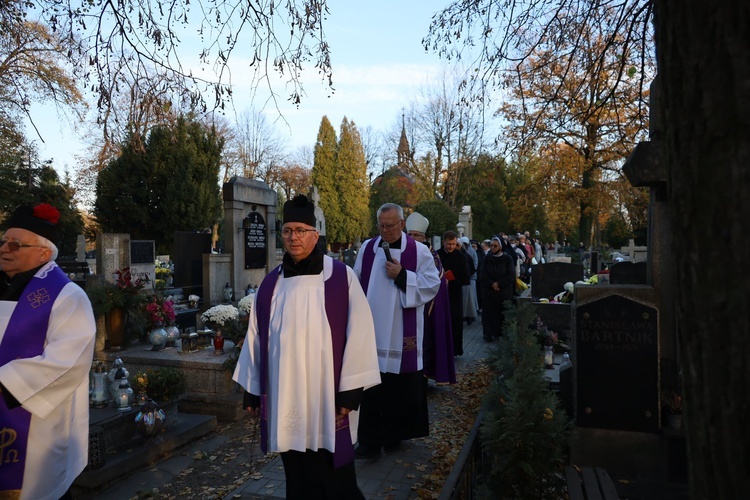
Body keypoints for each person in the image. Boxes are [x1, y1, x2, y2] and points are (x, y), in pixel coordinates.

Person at [233, 194, 381, 499]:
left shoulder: (341, 278)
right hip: (285, 395)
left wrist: (351, 391)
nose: (293, 238)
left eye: (301, 230)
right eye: (287, 231)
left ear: (315, 234)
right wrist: (252, 389)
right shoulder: (271, 284)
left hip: (328, 396)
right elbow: (256, 337)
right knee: (297, 475)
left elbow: (361, 334)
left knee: (337, 479)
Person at [0, 203, 96, 499]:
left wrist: (4, 382)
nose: (5, 248)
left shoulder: (67, 296)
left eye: (15, 244)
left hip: (35, 422)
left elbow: (68, 362)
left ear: (44, 252)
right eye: (3, 241)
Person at [353, 203, 440, 458]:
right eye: (380, 225)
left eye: (390, 225)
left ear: (402, 224)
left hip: (404, 330)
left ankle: (394, 436)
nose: (385, 230)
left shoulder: (419, 251)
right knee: (372, 386)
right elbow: (356, 281)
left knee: (399, 387)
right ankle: (369, 441)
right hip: (373, 330)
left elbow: (432, 284)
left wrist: (403, 275)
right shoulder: (368, 248)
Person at [405, 212, 455, 386]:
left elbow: (436, 283)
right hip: (405, 304)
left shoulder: (430, 255)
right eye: (409, 234)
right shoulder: (404, 251)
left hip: (427, 307)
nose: (412, 238)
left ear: (423, 237)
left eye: (416, 235)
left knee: (425, 342)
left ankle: (423, 376)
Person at [437, 231, 471, 356]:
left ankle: (454, 350)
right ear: (443, 242)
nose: (451, 246)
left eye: (453, 244)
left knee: (455, 323)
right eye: (448, 244)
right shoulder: (437, 256)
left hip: (454, 295)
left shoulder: (461, 257)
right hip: (438, 295)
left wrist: (450, 282)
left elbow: (465, 277)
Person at [479, 236, 516, 341]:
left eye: (495, 246)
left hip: (503, 292)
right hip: (489, 291)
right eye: (491, 246)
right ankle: (488, 333)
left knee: (502, 314)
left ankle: (502, 333)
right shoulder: (487, 258)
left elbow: (510, 275)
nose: (493, 248)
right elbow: (483, 273)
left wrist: (499, 284)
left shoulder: (507, 259)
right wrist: (492, 284)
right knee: (489, 314)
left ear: (501, 246)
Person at [459, 236, 478, 325]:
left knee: (469, 299)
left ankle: (469, 316)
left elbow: (474, 265)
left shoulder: (469, 254)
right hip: (459, 281)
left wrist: (468, 274)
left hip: (468, 279)